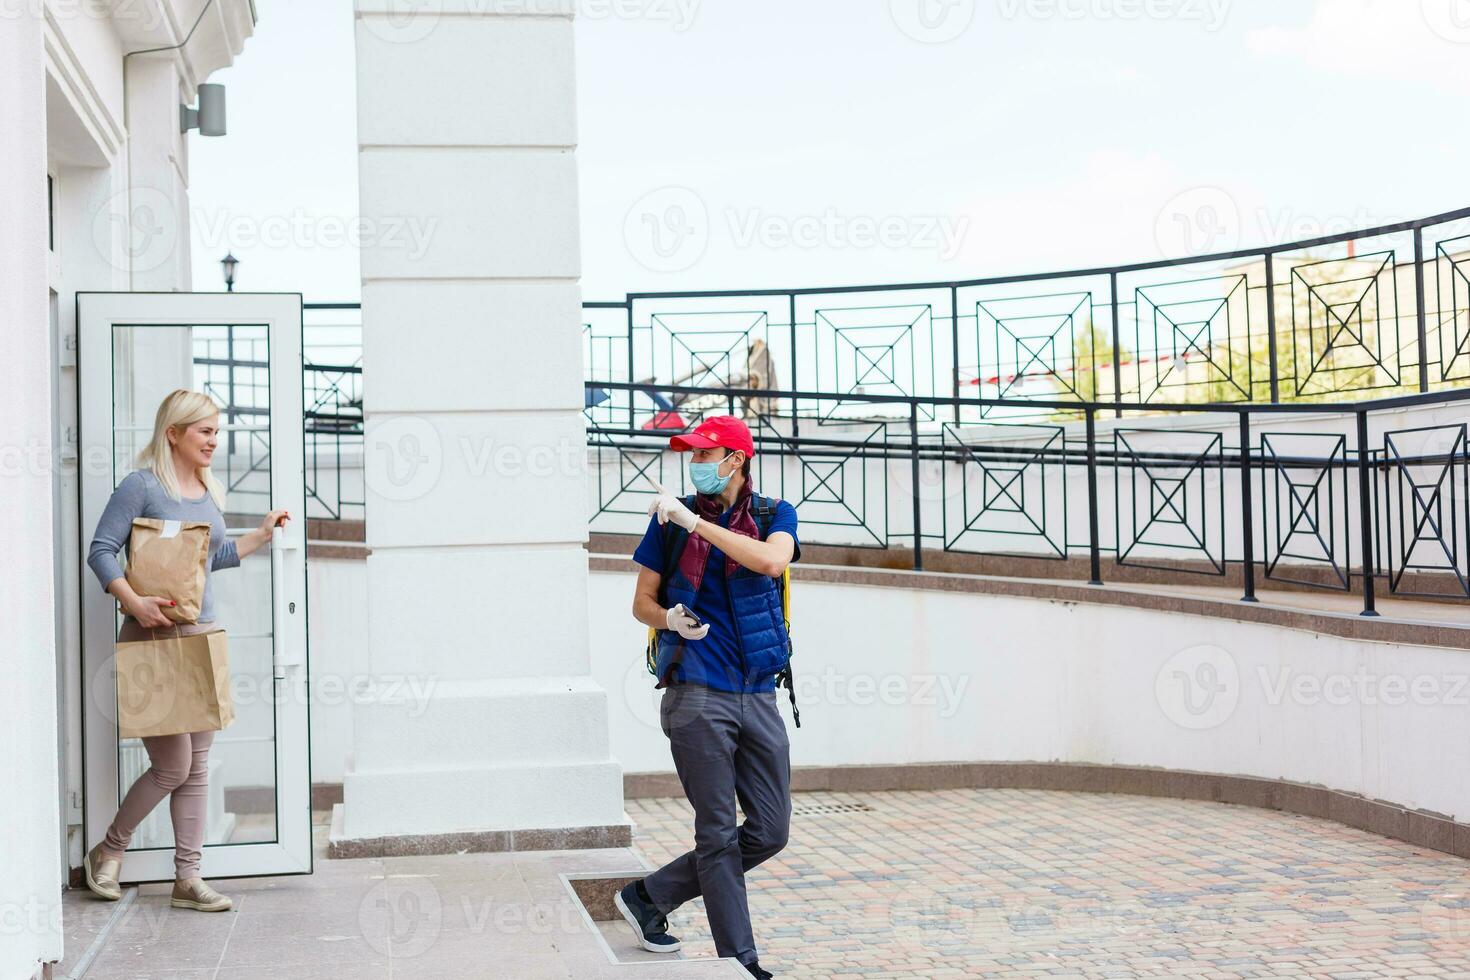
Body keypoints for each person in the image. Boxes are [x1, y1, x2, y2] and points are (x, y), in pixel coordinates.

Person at [83, 389, 288, 912]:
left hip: (200, 638)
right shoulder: (140, 485)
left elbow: (208, 558)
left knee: (196, 767)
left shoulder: (206, 487)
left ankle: (187, 880)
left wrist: (259, 535)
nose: (214, 442)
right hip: (151, 639)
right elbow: (101, 551)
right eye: (205, 432)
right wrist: (133, 601)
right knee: (172, 766)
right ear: (173, 433)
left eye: (217, 433)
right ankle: (108, 851)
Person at [615, 415, 799, 980]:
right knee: (717, 833)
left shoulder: (774, 515)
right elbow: (641, 602)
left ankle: (650, 895)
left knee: (771, 829)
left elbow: (771, 561)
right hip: (695, 693)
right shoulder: (667, 527)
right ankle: (740, 963)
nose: (696, 465)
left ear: (736, 460)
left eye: (706, 454)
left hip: (758, 692)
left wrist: (696, 521)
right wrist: (668, 616)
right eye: (692, 456)